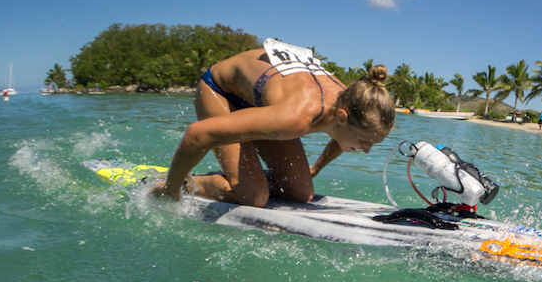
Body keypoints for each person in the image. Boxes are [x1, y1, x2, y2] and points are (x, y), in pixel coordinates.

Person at [153, 40, 394, 206]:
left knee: (301, 193)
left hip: (264, 103)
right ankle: (177, 182)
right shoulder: (295, 118)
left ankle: (241, 176)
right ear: (342, 117)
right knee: (254, 196)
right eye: (365, 141)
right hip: (222, 92)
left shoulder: (353, 100)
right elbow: (198, 134)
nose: (366, 149)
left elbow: (342, 139)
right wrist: (170, 191)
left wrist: (315, 169)